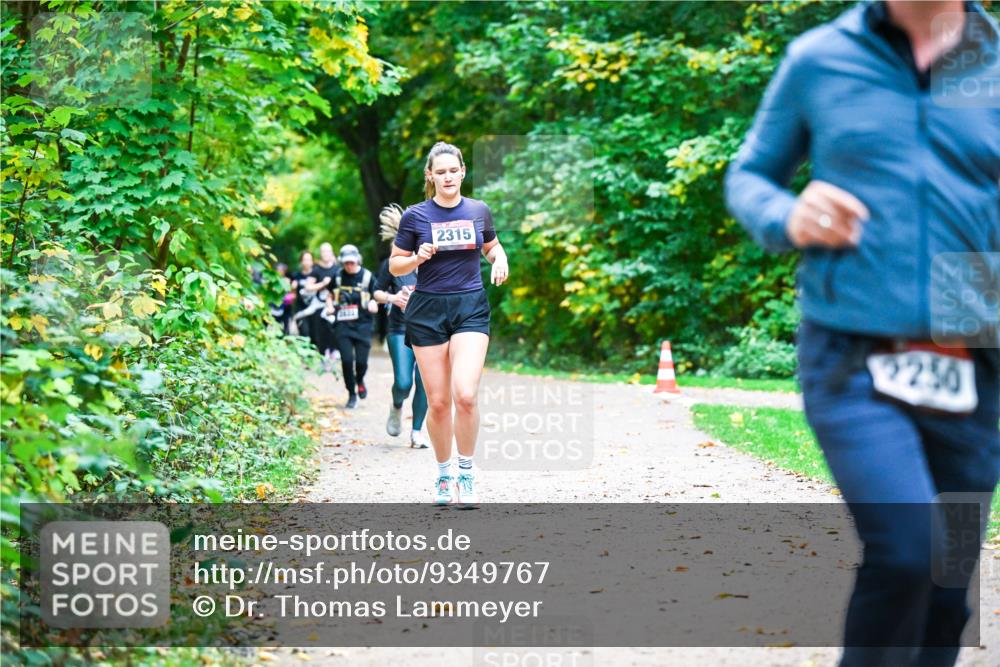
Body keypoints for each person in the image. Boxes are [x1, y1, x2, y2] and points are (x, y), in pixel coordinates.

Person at [725, 2, 999, 665]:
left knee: (945, 585)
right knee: (909, 549)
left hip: (978, 361)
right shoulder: (820, 58)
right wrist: (790, 215)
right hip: (853, 356)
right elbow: (749, 176)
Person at [389, 141, 509, 507]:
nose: (447, 177)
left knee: (466, 395)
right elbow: (396, 264)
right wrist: (416, 258)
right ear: (430, 176)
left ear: (462, 172)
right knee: (439, 403)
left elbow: (490, 245)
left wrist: (500, 259)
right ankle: (444, 473)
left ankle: (467, 472)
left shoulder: (478, 210)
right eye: (440, 172)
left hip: (470, 307)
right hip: (427, 310)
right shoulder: (415, 216)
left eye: (453, 171)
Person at [374, 205, 430, 449]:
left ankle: (417, 432)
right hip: (400, 328)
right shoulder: (394, 263)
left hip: (430, 329)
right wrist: (393, 298)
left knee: (426, 381)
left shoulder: (434, 262)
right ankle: (397, 405)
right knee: (404, 383)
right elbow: (376, 292)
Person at [328, 244, 378, 409]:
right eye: (346, 263)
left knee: (361, 362)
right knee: (347, 361)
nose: (349, 266)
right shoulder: (337, 277)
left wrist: (373, 302)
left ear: (357, 260)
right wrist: (329, 305)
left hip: (363, 324)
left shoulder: (367, 277)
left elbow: (377, 294)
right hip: (342, 325)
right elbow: (330, 294)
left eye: (352, 262)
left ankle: (360, 380)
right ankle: (351, 393)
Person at [305, 243, 340, 370]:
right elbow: (308, 287)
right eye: (323, 252)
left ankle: (335, 354)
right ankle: (323, 356)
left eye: (328, 251)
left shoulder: (338, 269)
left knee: (335, 330)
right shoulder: (317, 269)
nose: (326, 254)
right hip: (320, 305)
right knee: (321, 332)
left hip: (335, 304)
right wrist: (322, 284)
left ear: (332, 253)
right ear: (320, 253)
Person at [289, 251, 316, 338]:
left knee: (315, 337)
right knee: (304, 335)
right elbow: (291, 295)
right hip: (300, 310)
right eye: (305, 259)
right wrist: (292, 288)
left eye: (309, 259)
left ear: (312, 261)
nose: (307, 262)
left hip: (314, 309)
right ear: (301, 262)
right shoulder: (296, 276)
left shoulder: (317, 274)